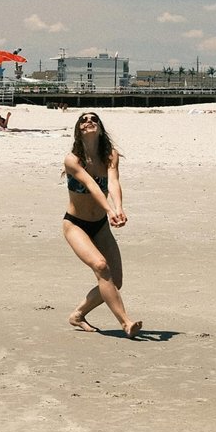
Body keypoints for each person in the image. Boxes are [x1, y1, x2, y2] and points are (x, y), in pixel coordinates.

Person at [60, 112, 141, 337]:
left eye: (93, 119)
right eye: (83, 119)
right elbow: (92, 185)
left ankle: (77, 315)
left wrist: (119, 207)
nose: (89, 122)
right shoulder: (72, 160)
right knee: (101, 266)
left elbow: (113, 182)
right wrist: (109, 209)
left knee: (117, 280)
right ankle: (126, 322)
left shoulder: (110, 156)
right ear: (78, 129)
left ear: (100, 127)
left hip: (100, 225)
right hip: (75, 225)